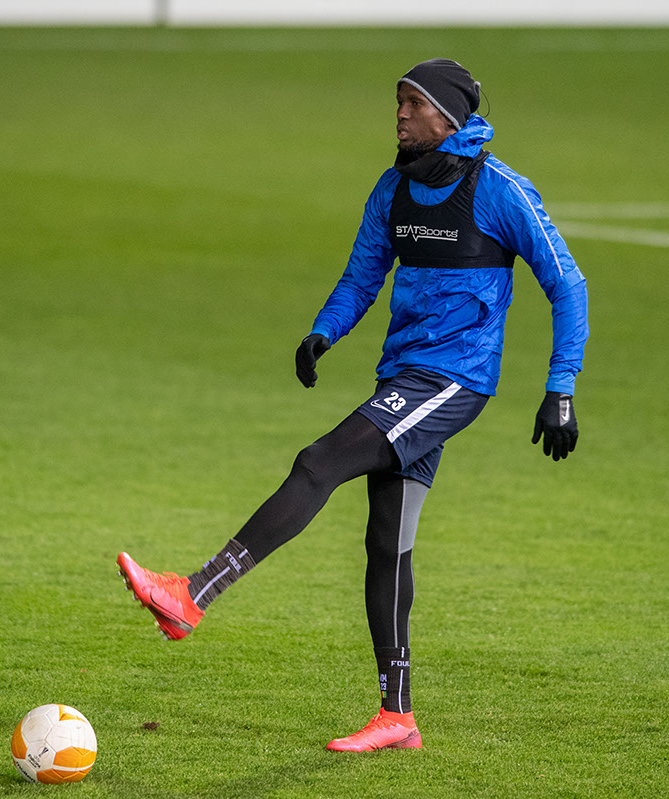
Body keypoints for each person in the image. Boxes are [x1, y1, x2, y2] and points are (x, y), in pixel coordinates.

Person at [117, 58, 588, 752]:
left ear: (448, 118)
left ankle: (193, 593)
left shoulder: (499, 190)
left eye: (414, 103)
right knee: (386, 545)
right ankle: (397, 717)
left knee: (320, 461)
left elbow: (567, 284)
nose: (400, 114)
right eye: (398, 101)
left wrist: (560, 388)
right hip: (403, 375)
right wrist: (324, 331)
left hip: (454, 380)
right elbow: (363, 273)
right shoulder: (393, 190)